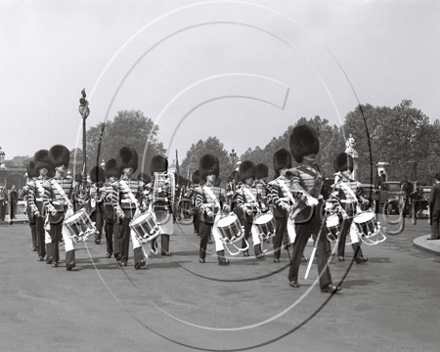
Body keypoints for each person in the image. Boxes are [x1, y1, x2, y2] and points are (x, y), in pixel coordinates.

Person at [287, 124, 340, 293]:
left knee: (323, 246)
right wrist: (307, 198)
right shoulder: (295, 172)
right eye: (310, 153)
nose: (313, 155)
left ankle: (326, 283)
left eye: (313, 152)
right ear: (301, 153)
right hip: (303, 215)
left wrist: (330, 200)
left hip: (318, 215)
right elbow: (295, 188)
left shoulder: (318, 172)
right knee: (299, 248)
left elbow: (324, 190)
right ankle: (292, 276)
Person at [328, 152, 369, 263]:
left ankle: (358, 255)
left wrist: (363, 200)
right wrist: (341, 211)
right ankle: (341, 254)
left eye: (349, 170)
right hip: (343, 210)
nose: (348, 172)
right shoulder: (338, 185)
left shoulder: (356, 184)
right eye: (346, 170)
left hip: (353, 210)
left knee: (354, 232)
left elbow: (358, 197)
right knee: (343, 232)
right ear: (341, 171)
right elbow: (334, 200)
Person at [43, 145, 78, 270]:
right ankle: (55, 259)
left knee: (68, 237)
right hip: (55, 213)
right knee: (55, 238)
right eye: (60, 164)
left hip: (67, 212)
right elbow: (45, 200)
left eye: (64, 163)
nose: (63, 166)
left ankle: (70, 261)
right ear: (55, 165)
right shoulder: (50, 183)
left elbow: (73, 198)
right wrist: (51, 208)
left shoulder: (70, 182)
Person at [112, 147, 147, 268]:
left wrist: (142, 207)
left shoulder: (138, 183)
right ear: (123, 167)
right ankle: (123, 258)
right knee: (124, 237)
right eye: (127, 166)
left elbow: (141, 198)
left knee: (136, 236)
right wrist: (119, 211)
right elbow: (114, 201)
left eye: (131, 166)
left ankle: (139, 259)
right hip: (124, 212)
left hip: (135, 213)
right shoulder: (117, 184)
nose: (130, 168)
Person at [195, 154, 230, 265]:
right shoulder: (201, 189)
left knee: (218, 236)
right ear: (205, 176)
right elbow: (198, 203)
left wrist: (225, 205)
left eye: (214, 174)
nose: (212, 176)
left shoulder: (220, 189)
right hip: (206, 216)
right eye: (210, 174)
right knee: (204, 237)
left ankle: (221, 258)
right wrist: (205, 209)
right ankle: (202, 255)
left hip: (217, 215)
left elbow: (223, 201)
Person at [267, 148, 294, 263]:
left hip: (292, 210)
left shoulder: (292, 181)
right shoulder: (275, 183)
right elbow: (274, 198)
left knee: (294, 233)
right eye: (283, 168)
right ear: (278, 169)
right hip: (280, 211)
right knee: (279, 234)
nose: (285, 170)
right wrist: (284, 205)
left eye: (287, 168)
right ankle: (276, 255)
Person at [235, 160, 265, 258]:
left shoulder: (257, 190)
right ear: (244, 178)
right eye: (248, 178)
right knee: (246, 233)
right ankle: (245, 249)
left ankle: (258, 252)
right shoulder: (241, 191)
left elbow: (260, 201)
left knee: (256, 232)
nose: (250, 180)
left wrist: (263, 208)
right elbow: (239, 203)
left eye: (251, 177)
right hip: (246, 214)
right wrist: (245, 209)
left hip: (256, 213)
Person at [28, 149, 53, 262]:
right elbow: (30, 199)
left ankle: (51, 254)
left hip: (50, 208)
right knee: (40, 231)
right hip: (39, 208)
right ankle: (41, 253)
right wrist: (35, 210)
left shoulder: (52, 182)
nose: (44, 169)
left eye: (46, 167)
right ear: (38, 169)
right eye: (42, 167)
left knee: (50, 231)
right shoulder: (33, 183)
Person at [147, 155, 174, 256]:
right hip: (154, 206)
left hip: (165, 206)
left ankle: (164, 249)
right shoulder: (150, 183)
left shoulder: (168, 182)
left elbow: (172, 195)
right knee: (153, 227)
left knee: (166, 228)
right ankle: (153, 249)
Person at [103, 159, 121, 258]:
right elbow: (101, 198)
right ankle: (109, 250)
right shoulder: (106, 186)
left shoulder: (120, 186)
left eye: (115, 177)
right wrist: (106, 196)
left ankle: (117, 252)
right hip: (108, 210)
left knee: (117, 232)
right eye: (111, 177)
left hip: (117, 210)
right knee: (108, 233)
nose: (113, 178)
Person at [89, 166, 106, 245]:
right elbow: (91, 194)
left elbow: (104, 194)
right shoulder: (93, 186)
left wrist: (100, 197)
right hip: (93, 206)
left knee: (99, 223)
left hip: (100, 206)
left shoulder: (103, 186)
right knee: (94, 222)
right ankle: (96, 235)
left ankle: (97, 238)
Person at [428, 172, 440, 240]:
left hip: (436, 207)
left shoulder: (434, 187)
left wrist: (430, 207)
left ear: (435, 179)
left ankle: (434, 235)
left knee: (435, 221)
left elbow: (431, 199)